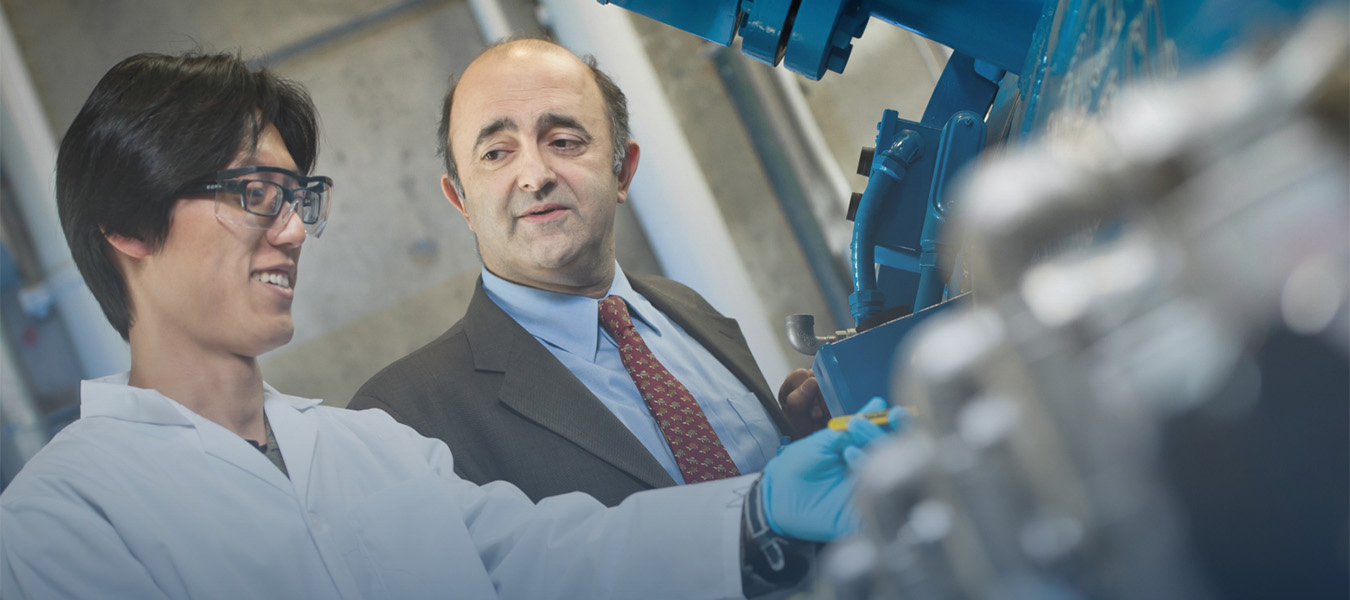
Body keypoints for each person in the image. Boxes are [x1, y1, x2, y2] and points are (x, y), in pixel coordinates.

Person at [0, 51, 901, 599]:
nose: (289, 228)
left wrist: (760, 515)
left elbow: (553, 561)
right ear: (128, 224)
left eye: (296, 197)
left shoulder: (365, 448)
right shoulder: (61, 519)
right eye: (251, 195)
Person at [350, 38, 831, 507]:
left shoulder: (685, 308)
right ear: (461, 201)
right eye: (496, 152)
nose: (535, 176)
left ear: (622, 171)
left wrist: (798, 444)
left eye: (564, 141)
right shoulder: (402, 418)